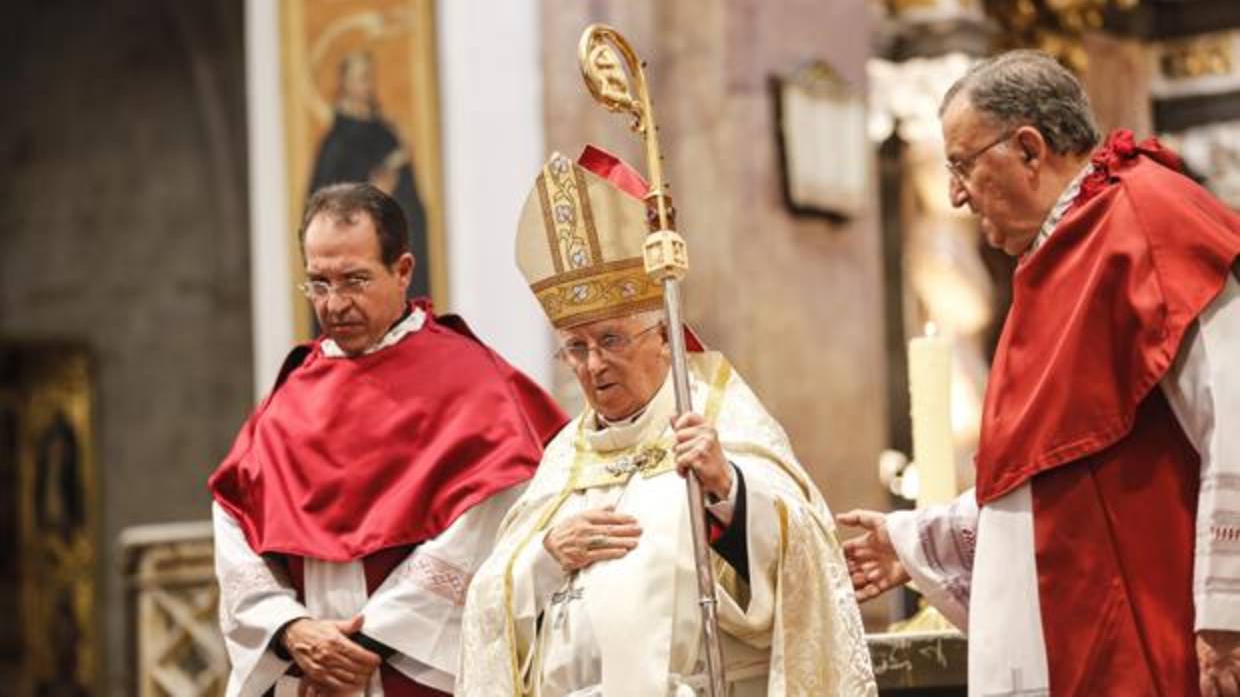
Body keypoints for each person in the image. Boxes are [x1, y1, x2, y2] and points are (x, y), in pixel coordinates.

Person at [837, 50, 1240, 697]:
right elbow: (1046, 484)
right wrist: (915, 544)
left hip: (1144, 645)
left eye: (963, 165)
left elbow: (1236, 417)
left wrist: (1229, 615)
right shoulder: (1065, 255)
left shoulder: (1147, 222)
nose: (955, 195)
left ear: (1029, 149)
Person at [457, 147, 876, 696]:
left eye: (610, 340)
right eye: (575, 349)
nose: (594, 365)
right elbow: (491, 599)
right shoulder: (564, 459)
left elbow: (803, 572)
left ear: (663, 335)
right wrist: (543, 557)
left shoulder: (720, 425)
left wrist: (726, 489)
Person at [208, 182, 567, 696]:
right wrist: (289, 629)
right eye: (318, 283)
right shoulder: (293, 390)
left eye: (354, 280)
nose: (334, 304)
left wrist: (369, 640)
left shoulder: (471, 381)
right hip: (306, 674)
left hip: (420, 675)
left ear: (402, 271)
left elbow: (498, 514)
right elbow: (235, 512)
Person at [309, 51, 430, 299]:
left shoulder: (387, 134)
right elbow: (322, 211)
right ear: (346, 84)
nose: (368, 84)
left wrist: (394, 197)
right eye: (362, 77)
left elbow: (412, 207)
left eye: (369, 77)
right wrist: (372, 195)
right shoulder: (336, 144)